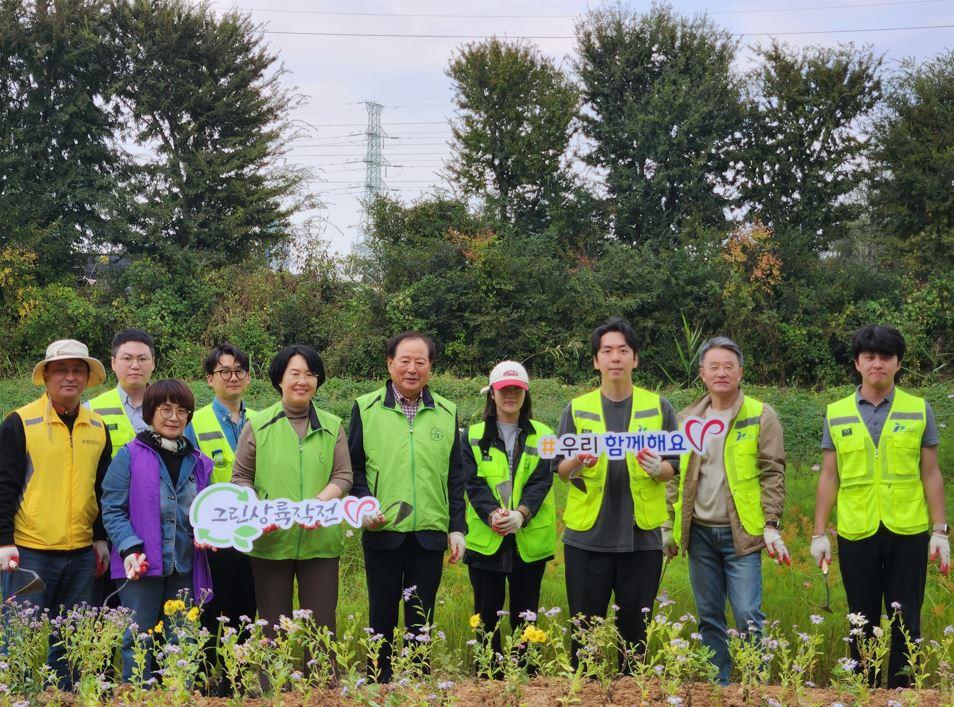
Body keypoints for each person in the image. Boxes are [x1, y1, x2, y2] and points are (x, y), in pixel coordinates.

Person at [812, 325, 948, 688]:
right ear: (857, 363)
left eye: (885, 357)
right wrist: (819, 532)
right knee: (861, 618)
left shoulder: (919, 409)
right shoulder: (836, 412)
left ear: (898, 363)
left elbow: (931, 473)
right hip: (857, 529)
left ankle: (903, 692)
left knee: (907, 618)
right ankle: (863, 691)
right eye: (869, 357)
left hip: (909, 529)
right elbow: (829, 476)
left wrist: (940, 531)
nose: (877, 364)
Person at [552, 317, 679, 669]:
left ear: (635, 359)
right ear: (596, 361)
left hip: (641, 538)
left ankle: (630, 691)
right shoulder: (577, 409)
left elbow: (673, 465)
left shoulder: (659, 407)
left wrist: (659, 469)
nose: (615, 358)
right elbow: (561, 470)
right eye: (607, 351)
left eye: (623, 350)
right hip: (587, 537)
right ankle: (585, 691)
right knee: (585, 632)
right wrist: (577, 460)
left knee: (635, 633)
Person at [663, 337, 787, 685]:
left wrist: (771, 523)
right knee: (708, 614)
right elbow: (674, 477)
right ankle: (719, 685)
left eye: (728, 366)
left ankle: (755, 682)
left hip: (742, 533)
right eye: (713, 366)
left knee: (748, 613)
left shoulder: (761, 415)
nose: (721, 373)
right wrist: (668, 526)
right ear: (702, 373)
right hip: (698, 533)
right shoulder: (686, 418)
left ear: (741, 372)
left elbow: (773, 472)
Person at [349, 331, 466, 683]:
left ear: (430, 367)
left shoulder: (446, 411)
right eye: (405, 361)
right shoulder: (366, 407)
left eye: (421, 361)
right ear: (390, 364)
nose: (412, 368)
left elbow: (455, 475)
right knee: (381, 611)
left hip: (429, 531)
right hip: (382, 529)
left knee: (421, 613)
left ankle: (417, 682)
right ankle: (378, 681)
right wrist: (363, 505)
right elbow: (352, 469)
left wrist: (457, 527)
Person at [0, 340, 112, 688]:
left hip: (80, 554)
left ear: (87, 378)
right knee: (20, 638)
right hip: (30, 551)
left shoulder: (97, 427)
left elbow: (101, 490)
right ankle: (15, 695)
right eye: (61, 369)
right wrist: (3, 542)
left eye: (78, 370)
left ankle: (64, 696)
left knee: (71, 642)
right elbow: (3, 486)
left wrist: (101, 538)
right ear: (46, 375)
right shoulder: (20, 422)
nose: (70, 377)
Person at [231, 345, 351, 645]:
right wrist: (259, 511)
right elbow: (241, 477)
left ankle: (321, 688)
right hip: (271, 541)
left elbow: (343, 476)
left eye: (310, 374)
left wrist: (318, 504)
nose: (303, 381)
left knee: (321, 628)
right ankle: (273, 690)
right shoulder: (258, 425)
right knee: (273, 628)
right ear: (279, 379)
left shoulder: (332, 425)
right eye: (295, 373)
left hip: (320, 540)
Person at [101, 379, 213, 683]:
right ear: (150, 412)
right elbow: (112, 509)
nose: (174, 417)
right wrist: (130, 547)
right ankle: (138, 696)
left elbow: (208, 511)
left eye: (182, 410)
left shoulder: (199, 462)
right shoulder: (129, 455)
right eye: (166, 409)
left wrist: (211, 533)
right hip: (141, 564)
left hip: (184, 564)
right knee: (137, 639)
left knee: (183, 638)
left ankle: (179, 695)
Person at [463, 361, 556, 663]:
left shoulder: (545, 434)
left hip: (528, 542)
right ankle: (489, 680)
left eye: (517, 389)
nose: (510, 395)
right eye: (504, 389)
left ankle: (526, 678)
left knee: (525, 617)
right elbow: (472, 483)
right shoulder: (472, 435)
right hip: (486, 541)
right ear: (492, 393)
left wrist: (522, 513)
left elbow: (543, 479)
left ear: (526, 393)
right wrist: (492, 514)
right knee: (487, 617)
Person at [184, 343, 256, 675]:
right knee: (212, 610)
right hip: (212, 539)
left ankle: (239, 675)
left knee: (247, 610)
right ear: (210, 379)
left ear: (249, 378)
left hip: (253, 535)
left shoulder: (262, 420)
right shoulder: (194, 422)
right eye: (224, 371)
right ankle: (207, 677)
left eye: (239, 370)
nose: (232, 377)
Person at [88, 328, 157, 454]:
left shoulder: (170, 407)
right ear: (113, 363)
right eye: (127, 358)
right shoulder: (91, 410)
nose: (135, 366)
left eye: (142, 359)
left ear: (153, 363)